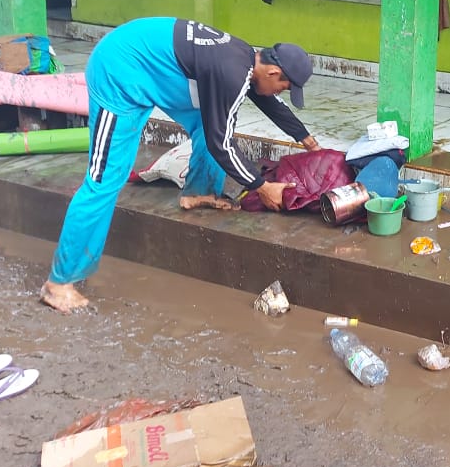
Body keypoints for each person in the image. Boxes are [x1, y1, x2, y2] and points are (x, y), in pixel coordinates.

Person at [41, 18, 322, 313]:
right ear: (273, 71)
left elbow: (266, 102)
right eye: (283, 87)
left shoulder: (245, 60)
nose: (280, 93)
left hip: (154, 69)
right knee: (104, 180)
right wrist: (261, 186)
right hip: (119, 71)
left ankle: (198, 192)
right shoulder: (231, 71)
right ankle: (58, 283)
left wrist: (307, 140)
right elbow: (221, 144)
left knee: (209, 120)